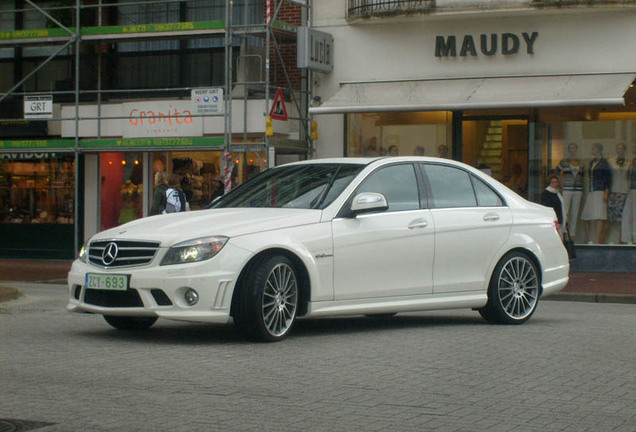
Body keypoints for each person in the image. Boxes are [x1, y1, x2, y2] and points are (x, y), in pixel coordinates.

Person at [581, 143, 612, 244]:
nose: (592, 150)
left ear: (598, 150)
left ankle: (598, 239)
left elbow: (607, 179)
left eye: (593, 148)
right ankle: (587, 237)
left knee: (599, 215)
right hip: (592, 190)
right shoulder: (592, 162)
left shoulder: (604, 163)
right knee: (586, 215)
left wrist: (606, 192)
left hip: (600, 190)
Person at [555, 143, 585, 239]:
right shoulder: (564, 162)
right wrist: (560, 184)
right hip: (567, 189)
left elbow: (583, 177)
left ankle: (572, 234)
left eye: (574, 149)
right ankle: (563, 232)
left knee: (575, 213)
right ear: (568, 150)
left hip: (578, 190)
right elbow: (556, 173)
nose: (573, 151)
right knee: (565, 211)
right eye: (571, 149)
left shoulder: (581, 163)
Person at [607, 143, 629, 243]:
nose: (619, 150)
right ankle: (608, 239)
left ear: (625, 150)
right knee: (611, 217)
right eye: (618, 148)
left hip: (624, 190)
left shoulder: (629, 161)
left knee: (622, 217)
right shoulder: (610, 161)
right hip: (614, 190)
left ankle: (621, 239)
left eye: (621, 148)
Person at [621, 142, 636, 244]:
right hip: (631, 189)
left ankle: (634, 238)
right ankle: (627, 238)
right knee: (627, 214)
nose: (633, 149)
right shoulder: (633, 161)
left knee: (634, 214)